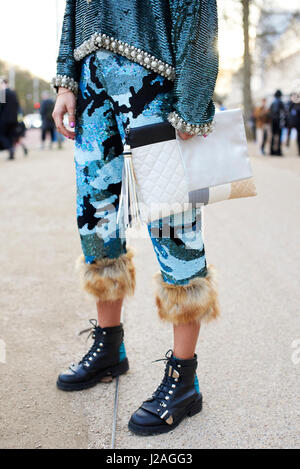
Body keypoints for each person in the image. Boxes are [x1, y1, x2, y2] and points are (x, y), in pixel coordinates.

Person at [52, 0, 219, 436]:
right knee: (96, 222)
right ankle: (110, 347)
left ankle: (185, 379)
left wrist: (193, 104)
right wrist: (66, 80)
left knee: (173, 227)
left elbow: (199, 12)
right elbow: (74, 7)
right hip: (90, 87)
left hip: (154, 86)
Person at [0, 78, 19, 160]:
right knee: (11, 135)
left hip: (4, 119)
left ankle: (9, 149)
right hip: (14, 119)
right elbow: (17, 105)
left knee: (2, 135)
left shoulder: (2, 93)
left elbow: (1, 107)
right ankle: (11, 152)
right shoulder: (13, 93)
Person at [269, 90, 286, 157]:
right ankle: (278, 151)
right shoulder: (281, 103)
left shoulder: (272, 103)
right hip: (279, 122)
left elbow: (270, 113)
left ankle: (272, 151)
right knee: (279, 136)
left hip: (273, 121)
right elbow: (284, 112)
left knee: (273, 136)